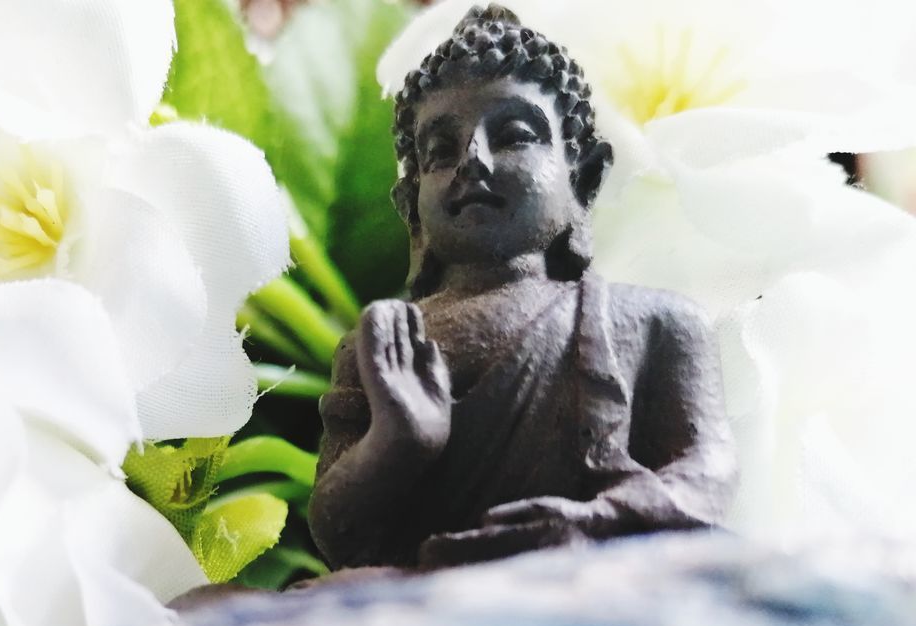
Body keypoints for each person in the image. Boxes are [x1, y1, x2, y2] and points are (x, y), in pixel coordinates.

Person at [309, 5, 737, 570]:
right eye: (439, 152)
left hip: (595, 588)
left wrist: (592, 521)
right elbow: (337, 536)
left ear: (582, 178)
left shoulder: (655, 323)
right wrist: (398, 441)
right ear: (409, 203)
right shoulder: (386, 350)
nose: (472, 163)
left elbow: (706, 479)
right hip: (417, 601)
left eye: (514, 135)